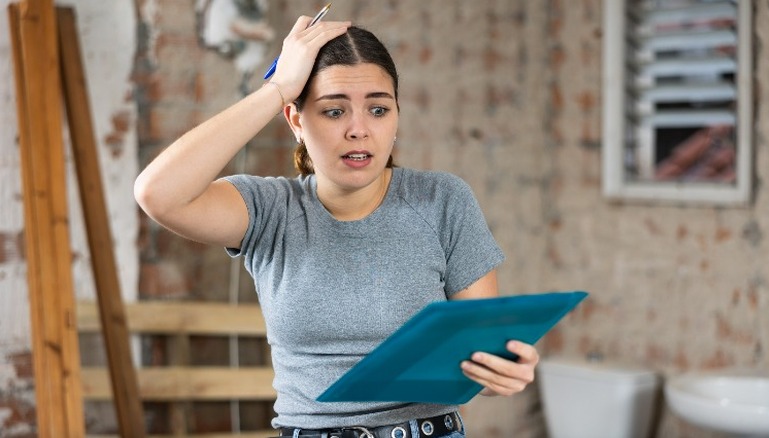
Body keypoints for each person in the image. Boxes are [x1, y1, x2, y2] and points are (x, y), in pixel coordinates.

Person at [134, 14, 539, 438]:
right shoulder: (269, 210)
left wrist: (504, 372)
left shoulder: (442, 200)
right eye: (333, 111)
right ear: (295, 120)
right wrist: (277, 89)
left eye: (379, 109)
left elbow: (479, 356)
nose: (359, 130)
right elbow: (158, 194)